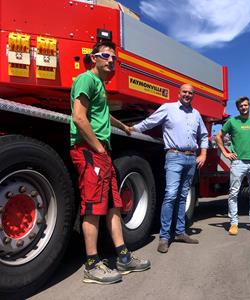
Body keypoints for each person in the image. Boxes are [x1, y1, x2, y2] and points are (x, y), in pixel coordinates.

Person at [70, 41, 150, 284]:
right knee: (93, 208)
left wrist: (122, 126)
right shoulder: (85, 79)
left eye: (114, 58)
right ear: (94, 58)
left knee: (114, 206)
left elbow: (102, 113)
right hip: (90, 151)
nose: (111, 61)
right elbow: (79, 117)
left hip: (102, 154)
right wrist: (97, 147)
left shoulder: (99, 86)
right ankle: (92, 266)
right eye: (106, 56)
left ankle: (123, 258)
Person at [132, 83, 208, 253]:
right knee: (171, 195)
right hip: (174, 156)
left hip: (191, 158)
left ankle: (180, 232)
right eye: (185, 92)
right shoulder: (168, 108)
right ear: (178, 93)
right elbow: (149, 122)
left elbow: (203, 135)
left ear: (193, 96)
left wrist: (203, 154)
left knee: (182, 196)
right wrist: (132, 129)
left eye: (190, 93)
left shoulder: (196, 114)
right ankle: (165, 237)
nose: (187, 95)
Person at [215, 96, 250, 236]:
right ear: (238, 108)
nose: (243, 108)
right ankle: (233, 223)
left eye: (245, 105)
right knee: (233, 193)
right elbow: (218, 137)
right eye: (241, 106)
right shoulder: (232, 122)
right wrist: (225, 153)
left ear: (249, 106)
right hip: (238, 162)